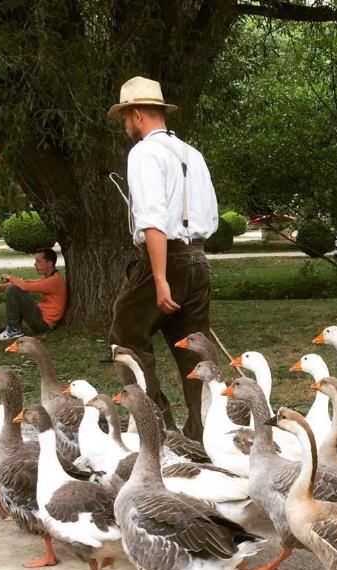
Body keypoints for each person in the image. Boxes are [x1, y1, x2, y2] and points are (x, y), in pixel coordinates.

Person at [107, 75, 218, 441]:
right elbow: (210, 216)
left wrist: (159, 277)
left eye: (125, 117)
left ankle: (155, 426)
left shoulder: (144, 153)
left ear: (137, 114)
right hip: (199, 259)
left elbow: (153, 220)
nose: (125, 124)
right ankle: (207, 433)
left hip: (169, 257)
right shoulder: (193, 153)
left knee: (126, 334)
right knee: (192, 348)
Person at [0, 247, 67, 341]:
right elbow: (29, 282)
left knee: (14, 289)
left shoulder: (54, 281)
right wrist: (5, 285)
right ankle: (14, 328)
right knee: (14, 287)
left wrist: (10, 278)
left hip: (43, 324)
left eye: (38, 261)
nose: (35, 264)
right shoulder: (53, 277)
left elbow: (26, 287)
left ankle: (14, 330)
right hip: (41, 319)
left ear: (50, 263)